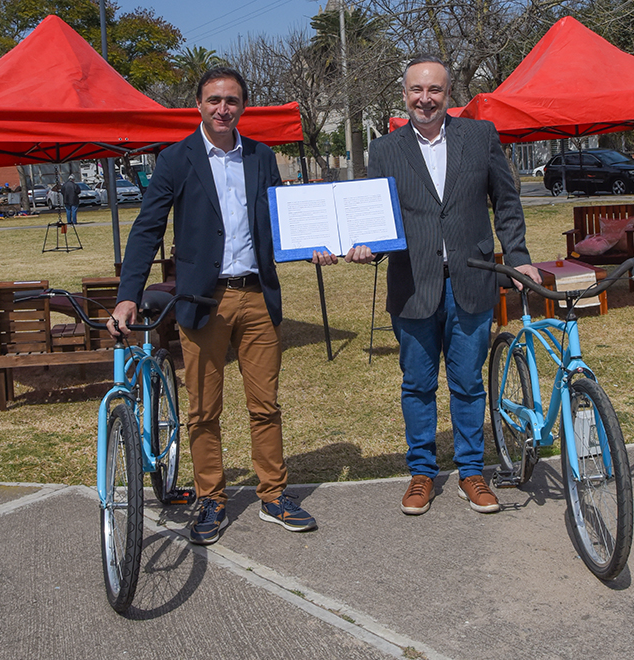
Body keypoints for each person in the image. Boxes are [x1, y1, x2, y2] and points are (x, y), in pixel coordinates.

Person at [316, 55, 541, 516]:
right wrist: (367, 248)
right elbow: (376, 216)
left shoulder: (480, 137)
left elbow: (507, 202)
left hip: (472, 281)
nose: (425, 98)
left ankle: (472, 472)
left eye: (434, 90)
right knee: (417, 385)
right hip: (413, 285)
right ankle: (421, 473)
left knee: (468, 383)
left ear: (447, 95)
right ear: (405, 95)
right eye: (417, 90)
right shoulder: (385, 150)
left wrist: (519, 259)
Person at [110, 67, 316, 545]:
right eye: (214, 100)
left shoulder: (262, 157)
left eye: (232, 100)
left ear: (243, 106)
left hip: (257, 295)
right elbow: (147, 229)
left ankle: (274, 495)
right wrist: (127, 296)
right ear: (198, 105)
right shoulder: (176, 159)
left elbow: (285, 219)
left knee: (265, 405)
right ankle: (211, 499)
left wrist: (319, 242)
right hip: (203, 300)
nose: (223, 108)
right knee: (204, 409)